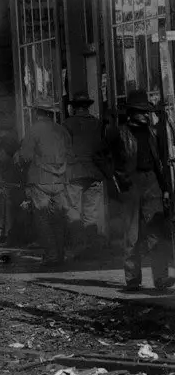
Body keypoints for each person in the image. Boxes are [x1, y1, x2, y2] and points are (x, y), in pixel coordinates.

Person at [102, 90, 173, 291]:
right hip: (131, 185)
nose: (145, 115)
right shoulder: (118, 133)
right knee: (131, 234)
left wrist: (165, 189)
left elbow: (160, 163)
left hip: (152, 183)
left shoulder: (152, 132)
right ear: (132, 113)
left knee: (155, 232)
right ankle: (132, 280)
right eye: (141, 112)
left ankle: (161, 278)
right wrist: (115, 177)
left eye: (146, 112)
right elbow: (101, 156)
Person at [19, 103, 72, 265]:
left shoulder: (33, 130)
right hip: (60, 180)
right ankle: (60, 254)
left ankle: (51, 255)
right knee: (58, 218)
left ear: (36, 112)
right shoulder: (62, 130)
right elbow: (71, 154)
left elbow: (25, 156)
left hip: (41, 180)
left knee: (42, 219)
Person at [62, 92, 107, 255]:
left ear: (74, 108)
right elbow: (102, 149)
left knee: (73, 210)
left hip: (74, 172)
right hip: (94, 172)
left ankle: (79, 246)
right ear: (88, 107)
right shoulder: (98, 124)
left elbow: (64, 149)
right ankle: (92, 247)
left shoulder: (67, 124)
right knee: (92, 213)